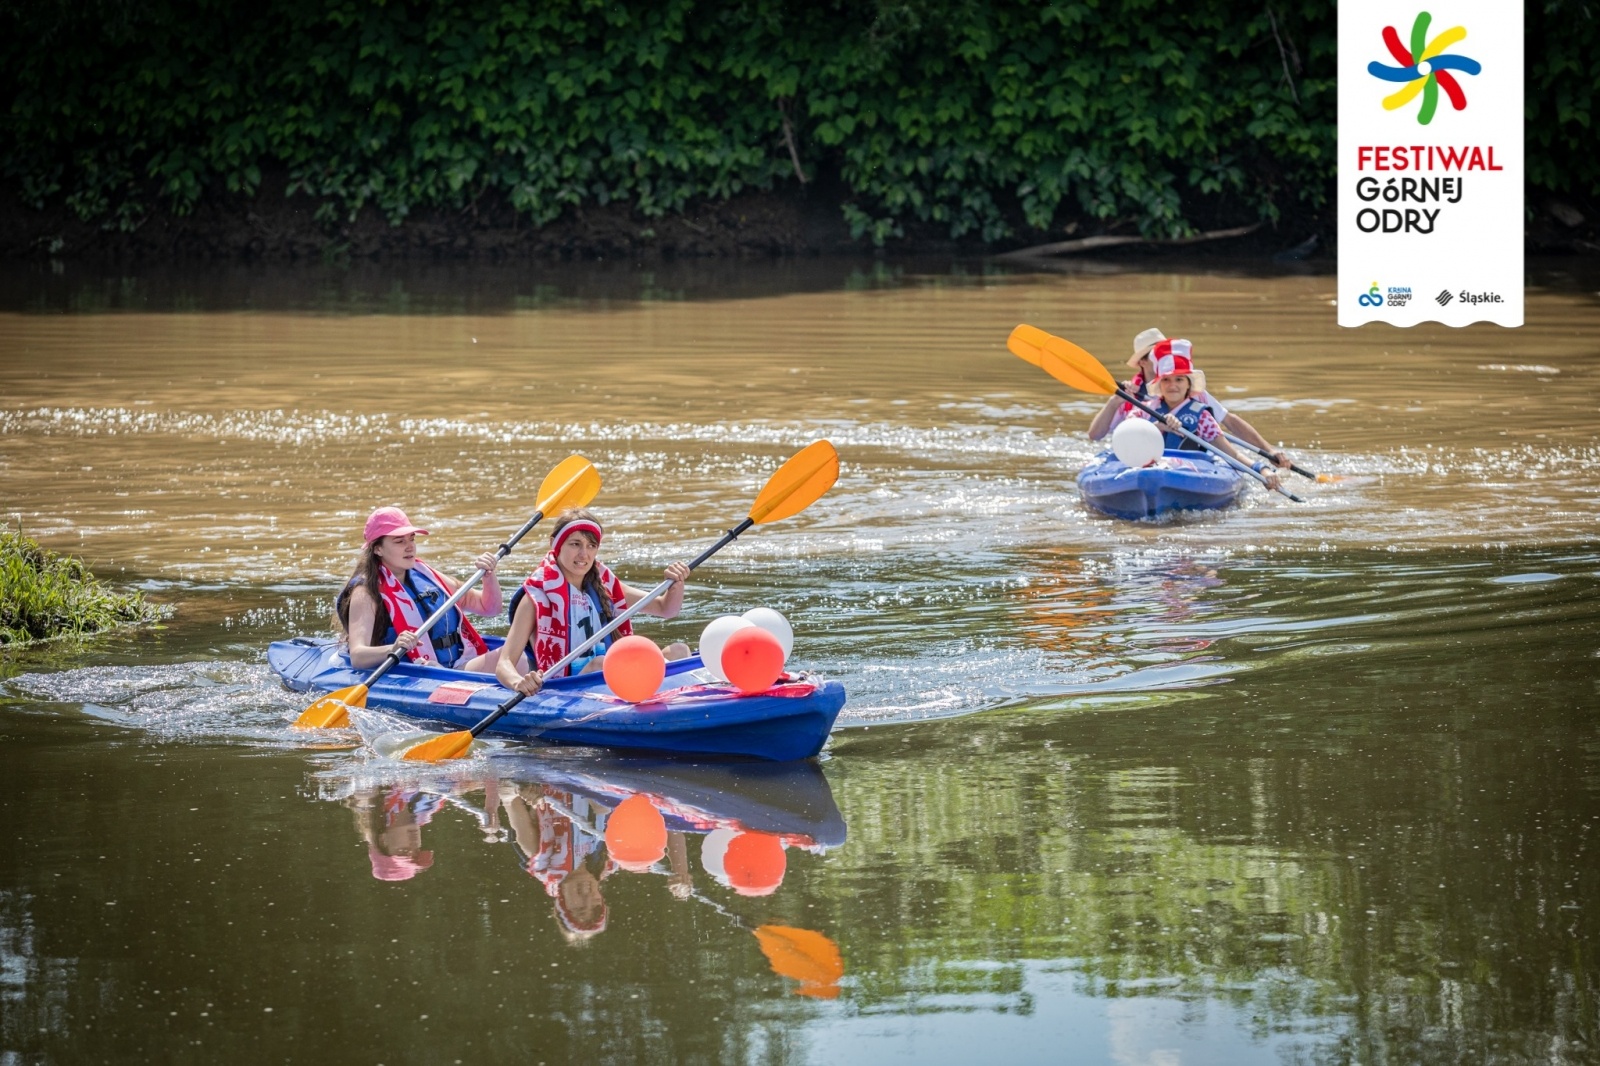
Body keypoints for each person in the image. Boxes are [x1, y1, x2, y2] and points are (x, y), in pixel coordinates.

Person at [497, 509, 690, 695]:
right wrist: (519, 682)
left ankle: (673, 697)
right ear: (555, 543)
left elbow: (666, 609)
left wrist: (676, 583)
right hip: (566, 688)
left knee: (679, 651)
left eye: (591, 545)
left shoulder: (605, 585)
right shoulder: (535, 598)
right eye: (575, 544)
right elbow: (504, 664)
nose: (584, 554)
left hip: (610, 675)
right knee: (601, 663)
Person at [1088, 327, 1295, 470]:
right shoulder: (1129, 396)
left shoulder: (1194, 396)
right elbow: (1095, 435)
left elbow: (1229, 422)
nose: (1163, 355)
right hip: (1138, 457)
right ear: (1142, 361)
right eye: (1155, 353)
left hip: (1186, 460)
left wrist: (1269, 451)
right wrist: (1116, 400)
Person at [334, 506, 505, 673]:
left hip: (453, 666)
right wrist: (394, 647)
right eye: (399, 541)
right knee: (511, 661)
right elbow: (358, 656)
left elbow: (489, 608)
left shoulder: (425, 575)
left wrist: (488, 576)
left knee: (514, 655)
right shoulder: (365, 592)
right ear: (378, 549)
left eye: (412, 539)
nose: (410, 547)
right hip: (414, 673)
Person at [1128, 340, 1281, 489]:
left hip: (1189, 473)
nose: (1172, 385)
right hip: (1148, 469)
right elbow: (1124, 441)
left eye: (1179, 379)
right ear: (1159, 385)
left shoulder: (1202, 418)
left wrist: (1262, 469)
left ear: (1188, 384)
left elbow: (1232, 455)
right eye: (1166, 380)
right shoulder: (1141, 412)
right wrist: (1156, 426)